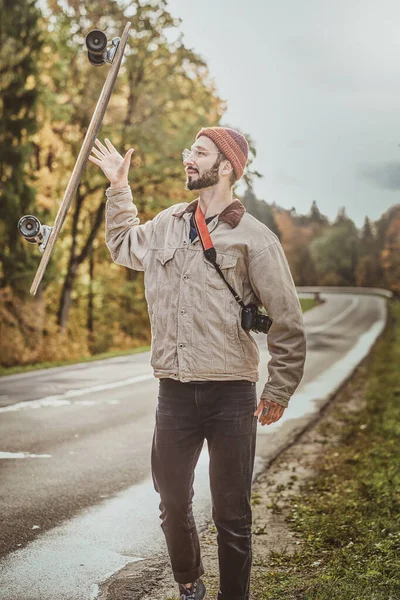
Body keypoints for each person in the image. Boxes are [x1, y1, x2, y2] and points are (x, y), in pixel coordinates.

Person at [88, 127, 306, 600]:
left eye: (200, 152)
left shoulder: (256, 239)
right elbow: (124, 245)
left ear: (225, 166)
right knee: (171, 500)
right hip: (175, 391)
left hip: (231, 393)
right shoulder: (168, 222)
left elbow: (288, 320)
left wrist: (278, 388)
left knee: (231, 511)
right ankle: (189, 583)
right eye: (189, 150)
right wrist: (118, 187)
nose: (189, 157)